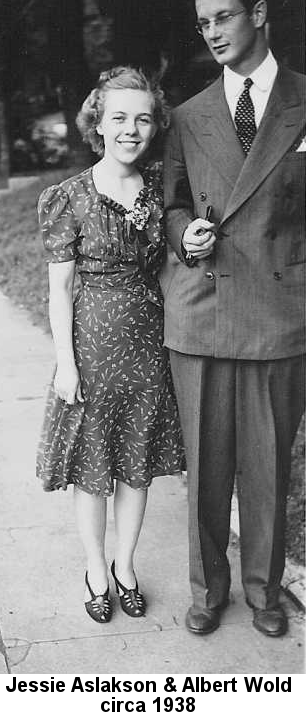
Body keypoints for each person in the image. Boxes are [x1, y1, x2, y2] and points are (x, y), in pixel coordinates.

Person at [161, 0, 305, 638]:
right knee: (207, 468)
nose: (213, 32)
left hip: (280, 310)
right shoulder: (189, 115)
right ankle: (207, 588)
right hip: (204, 308)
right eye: (203, 24)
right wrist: (184, 234)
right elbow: (172, 203)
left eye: (222, 17)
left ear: (258, 12)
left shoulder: (305, 100)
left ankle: (264, 591)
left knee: (270, 465)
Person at [36, 66, 185, 624]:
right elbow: (60, 290)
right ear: (97, 121)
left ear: (155, 126)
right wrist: (65, 366)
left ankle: (126, 566)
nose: (131, 129)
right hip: (92, 353)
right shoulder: (68, 197)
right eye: (119, 117)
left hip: (149, 347)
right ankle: (96, 570)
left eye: (143, 118)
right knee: (95, 468)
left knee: (136, 464)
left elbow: (171, 264)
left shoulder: (160, 191)